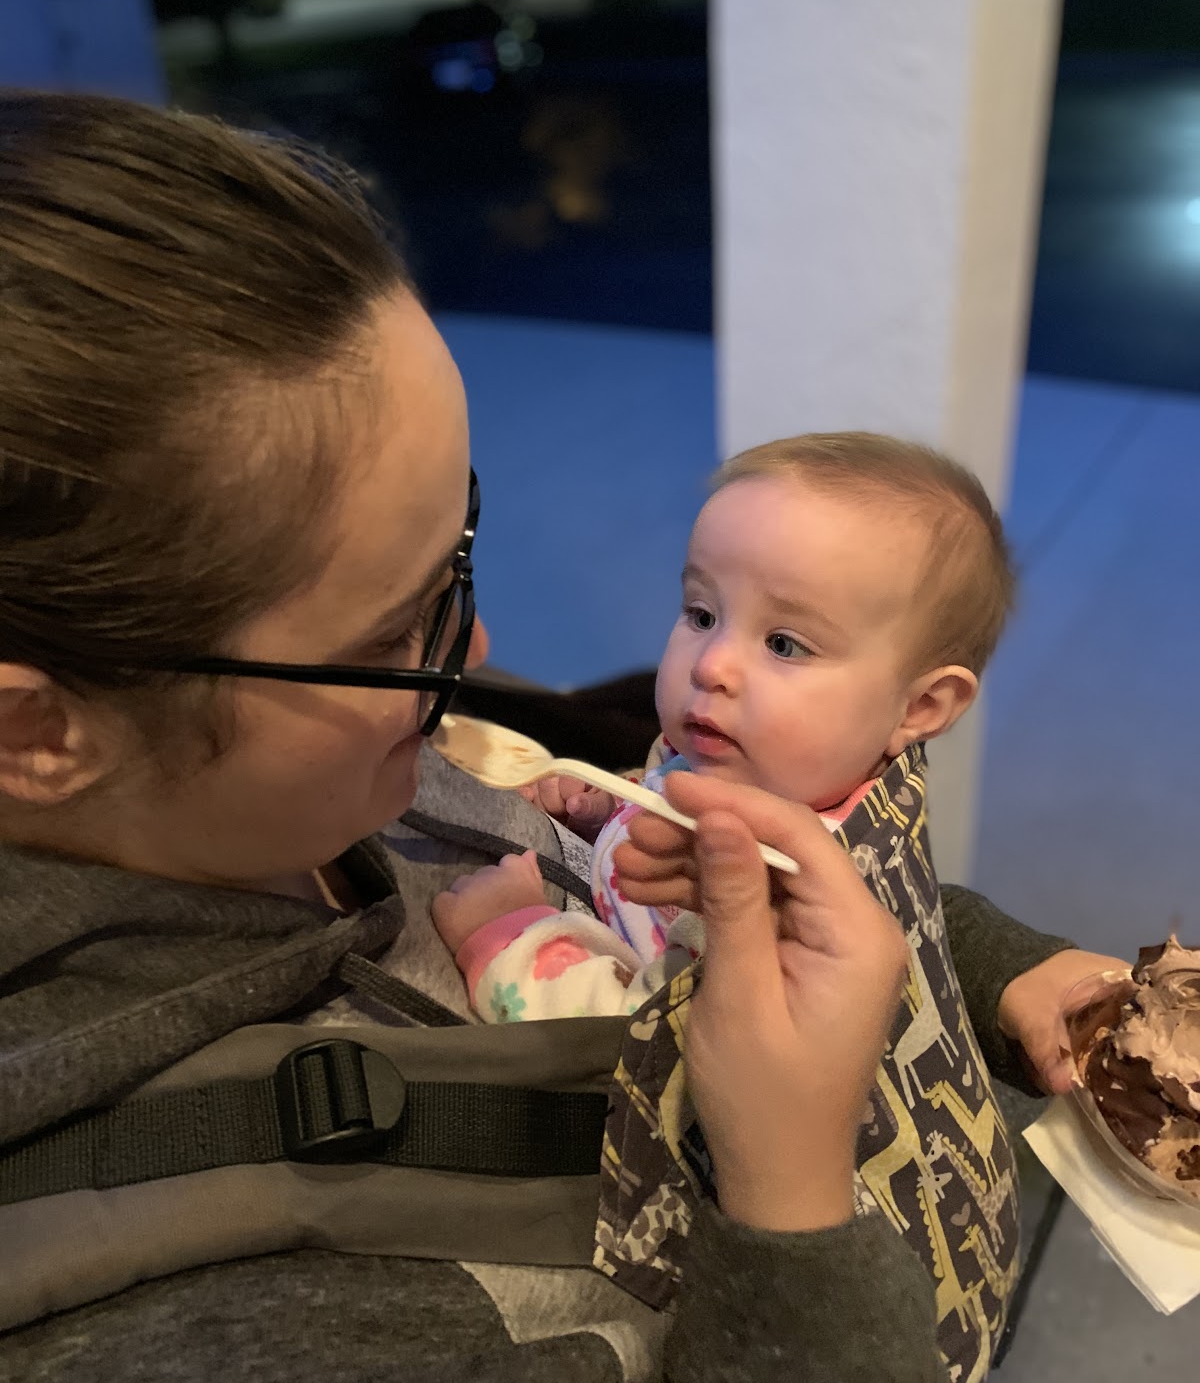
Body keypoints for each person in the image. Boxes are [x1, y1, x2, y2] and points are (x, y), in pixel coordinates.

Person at [0, 91, 1120, 1383]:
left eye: (461, 552)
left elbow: (875, 890)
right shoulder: (189, 1323)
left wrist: (1000, 969)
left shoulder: (335, 772)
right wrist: (790, 1186)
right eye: (396, 630)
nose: (475, 652)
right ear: (38, 732)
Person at [432, 432, 1016, 1019]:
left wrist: (510, 937)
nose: (711, 666)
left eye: (784, 644)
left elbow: (645, 1041)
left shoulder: (783, 912)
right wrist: (612, 813)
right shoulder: (758, 761)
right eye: (702, 614)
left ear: (919, 708)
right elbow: (671, 782)